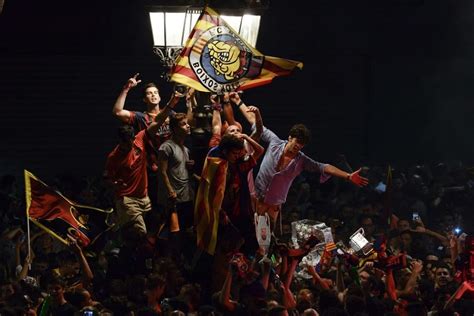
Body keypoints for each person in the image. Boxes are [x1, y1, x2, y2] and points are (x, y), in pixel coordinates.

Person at [253, 123, 369, 227]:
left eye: (302, 144)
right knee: (250, 228)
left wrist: (348, 175)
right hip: (257, 198)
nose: (298, 146)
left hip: (274, 205)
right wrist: (239, 102)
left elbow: (323, 167)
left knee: (266, 239)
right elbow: (257, 124)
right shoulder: (275, 142)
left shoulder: (302, 160)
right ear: (290, 138)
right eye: (297, 141)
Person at [105, 101, 176, 239]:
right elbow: (107, 178)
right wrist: (114, 185)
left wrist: (172, 103)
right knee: (139, 233)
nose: (129, 145)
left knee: (152, 231)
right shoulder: (114, 157)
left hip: (144, 197)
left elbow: (158, 121)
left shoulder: (139, 139)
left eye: (130, 142)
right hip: (127, 200)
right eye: (125, 143)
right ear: (119, 141)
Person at [156, 113, 195, 263]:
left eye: (187, 123)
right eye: (183, 124)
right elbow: (162, 171)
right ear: (174, 128)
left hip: (185, 196)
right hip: (172, 199)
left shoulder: (185, 149)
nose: (188, 125)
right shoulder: (166, 147)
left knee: (184, 233)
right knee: (172, 234)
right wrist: (169, 190)